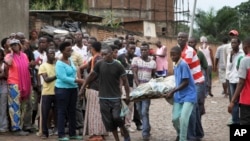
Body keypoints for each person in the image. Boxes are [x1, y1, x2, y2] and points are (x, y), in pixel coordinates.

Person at [80, 44, 131, 141]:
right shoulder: (99, 64)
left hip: (115, 97)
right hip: (103, 97)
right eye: (102, 55)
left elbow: (125, 81)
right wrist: (82, 88)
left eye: (105, 54)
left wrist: (127, 95)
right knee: (109, 121)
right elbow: (91, 76)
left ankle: (124, 129)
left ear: (111, 54)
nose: (103, 57)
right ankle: (117, 139)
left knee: (116, 117)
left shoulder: (118, 66)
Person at [177, 32, 205, 141]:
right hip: (191, 83)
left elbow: (183, 67)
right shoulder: (179, 51)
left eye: (183, 37)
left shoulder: (188, 51)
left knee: (191, 110)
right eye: (179, 37)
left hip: (196, 83)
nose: (181, 39)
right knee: (195, 110)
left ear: (186, 39)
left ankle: (191, 136)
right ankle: (198, 134)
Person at [166, 46, 196, 141]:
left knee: (183, 119)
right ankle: (180, 134)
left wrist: (173, 91)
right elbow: (177, 81)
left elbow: (185, 82)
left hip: (189, 95)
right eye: (171, 55)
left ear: (180, 54)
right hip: (179, 96)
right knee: (175, 119)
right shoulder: (176, 65)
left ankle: (183, 139)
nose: (173, 57)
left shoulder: (183, 64)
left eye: (174, 55)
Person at [55, 41, 84, 141]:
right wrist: (77, 80)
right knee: (62, 111)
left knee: (72, 111)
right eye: (68, 51)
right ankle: (61, 134)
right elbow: (63, 77)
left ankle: (72, 133)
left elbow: (74, 72)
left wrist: (76, 80)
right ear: (62, 51)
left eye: (71, 50)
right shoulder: (59, 63)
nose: (70, 52)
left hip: (72, 89)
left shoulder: (71, 60)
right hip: (62, 89)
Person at [79, 41, 107, 141]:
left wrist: (83, 86)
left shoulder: (96, 59)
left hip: (95, 88)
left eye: (90, 48)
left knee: (94, 112)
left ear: (93, 49)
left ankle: (96, 134)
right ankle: (101, 133)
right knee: (100, 112)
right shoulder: (101, 59)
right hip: (101, 89)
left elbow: (91, 75)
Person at [4, 39, 31, 136]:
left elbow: (27, 67)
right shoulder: (8, 56)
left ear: (20, 45)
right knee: (14, 106)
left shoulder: (24, 55)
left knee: (23, 106)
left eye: (16, 44)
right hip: (14, 83)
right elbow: (9, 63)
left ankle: (21, 126)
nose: (14, 46)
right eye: (12, 45)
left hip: (25, 83)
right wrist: (11, 53)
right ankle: (15, 128)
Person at [132, 42, 156, 141]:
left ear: (148, 50)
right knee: (138, 110)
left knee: (144, 111)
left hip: (147, 90)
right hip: (137, 90)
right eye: (141, 50)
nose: (143, 51)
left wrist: (152, 86)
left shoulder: (153, 62)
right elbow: (134, 73)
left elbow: (153, 75)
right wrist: (139, 86)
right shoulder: (136, 60)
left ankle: (145, 133)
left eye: (145, 49)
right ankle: (147, 126)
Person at [228, 37, 250, 125]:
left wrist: (232, 101)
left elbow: (241, 82)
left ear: (245, 47)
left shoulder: (245, 60)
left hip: (247, 100)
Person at [117, 41, 137, 132]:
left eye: (134, 49)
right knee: (121, 104)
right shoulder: (121, 57)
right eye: (131, 48)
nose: (132, 50)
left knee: (130, 105)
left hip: (132, 84)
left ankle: (127, 124)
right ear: (127, 48)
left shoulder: (136, 58)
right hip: (123, 84)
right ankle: (119, 125)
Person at [38, 47, 57, 139]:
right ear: (47, 54)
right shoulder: (43, 66)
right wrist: (58, 75)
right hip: (47, 92)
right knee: (45, 113)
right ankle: (45, 132)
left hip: (57, 92)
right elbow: (46, 79)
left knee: (57, 112)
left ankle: (57, 130)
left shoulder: (57, 65)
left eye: (53, 53)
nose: (52, 55)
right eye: (50, 53)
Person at [226, 37, 244, 125]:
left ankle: (237, 120)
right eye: (232, 43)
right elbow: (229, 67)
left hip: (240, 80)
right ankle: (235, 119)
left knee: (239, 101)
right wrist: (231, 57)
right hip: (231, 79)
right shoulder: (230, 54)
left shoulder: (242, 53)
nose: (233, 44)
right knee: (233, 100)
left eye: (234, 43)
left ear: (239, 44)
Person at [0, 49, 8, 133]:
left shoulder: (4, 65)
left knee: (3, 107)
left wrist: (3, 75)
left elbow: (7, 76)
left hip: (3, 87)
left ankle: (3, 126)